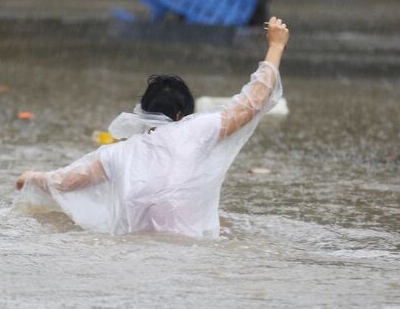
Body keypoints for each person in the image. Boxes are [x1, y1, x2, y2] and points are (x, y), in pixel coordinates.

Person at [14, 16, 290, 238]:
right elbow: (255, 100)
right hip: (192, 252)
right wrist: (275, 46)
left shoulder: (118, 154)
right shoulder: (198, 130)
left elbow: (64, 181)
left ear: (144, 112)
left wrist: (32, 176)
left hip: (137, 251)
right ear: (182, 115)